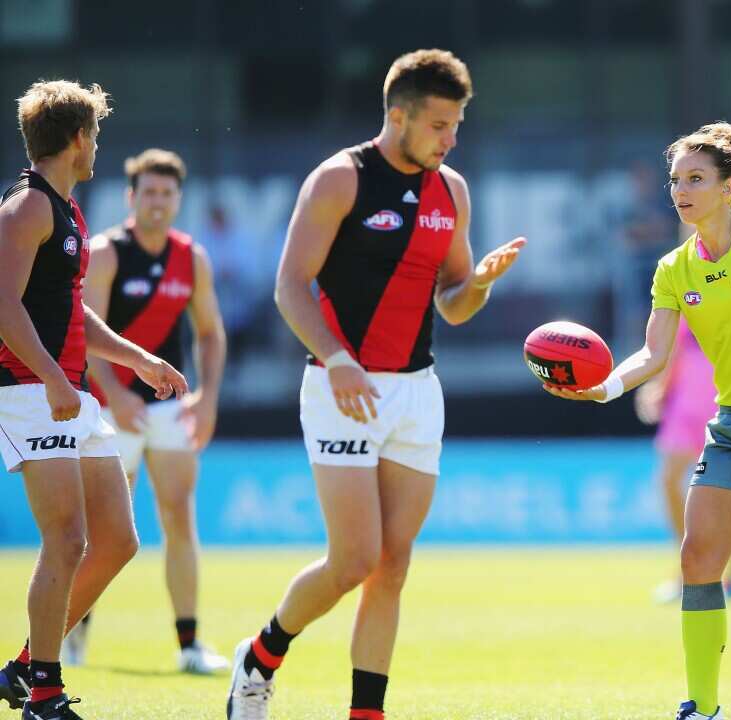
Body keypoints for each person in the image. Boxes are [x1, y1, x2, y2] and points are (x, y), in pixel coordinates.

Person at [225, 49, 525, 720]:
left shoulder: (454, 191)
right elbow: (288, 286)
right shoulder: (339, 179)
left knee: (392, 565)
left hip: (417, 394)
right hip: (341, 389)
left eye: (458, 125)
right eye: (441, 125)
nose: (452, 140)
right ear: (399, 115)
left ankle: (368, 714)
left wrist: (476, 285)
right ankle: (262, 655)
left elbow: (452, 302)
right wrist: (336, 358)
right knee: (354, 559)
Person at [546, 122, 731, 720]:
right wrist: (602, 387)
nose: (681, 190)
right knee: (696, 562)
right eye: (676, 179)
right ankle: (702, 708)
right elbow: (654, 355)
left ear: (730, 188)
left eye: (697, 179)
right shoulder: (673, 269)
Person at [0, 80, 187, 720]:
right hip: (31, 391)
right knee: (67, 538)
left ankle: (25, 666)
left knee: (117, 539)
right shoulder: (27, 208)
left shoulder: (67, 211)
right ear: (79, 139)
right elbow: (3, 305)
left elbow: (67, 308)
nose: (97, 145)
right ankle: (44, 693)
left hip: (68, 392)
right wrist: (51, 376)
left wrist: (138, 357)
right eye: (96, 135)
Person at [68, 148, 229, 675]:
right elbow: (84, 334)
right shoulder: (108, 252)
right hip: (113, 406)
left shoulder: (192, 258)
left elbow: (209, 333)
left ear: (179, 199)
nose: (159, 202)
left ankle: (188, 644)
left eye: (167, 193)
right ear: (131, 197)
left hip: (170, 406)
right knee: (105, 530)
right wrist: (116, 392)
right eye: (149, 192)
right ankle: (71, 636)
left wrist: (206, 398)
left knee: (180, 517)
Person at [636, 317, 731, 603]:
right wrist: (660, 390)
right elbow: (672, 353)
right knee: (669, 480)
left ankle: (729, 577)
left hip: (728, 405)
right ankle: (691, 567)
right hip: (684, 410)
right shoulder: (684, 302)